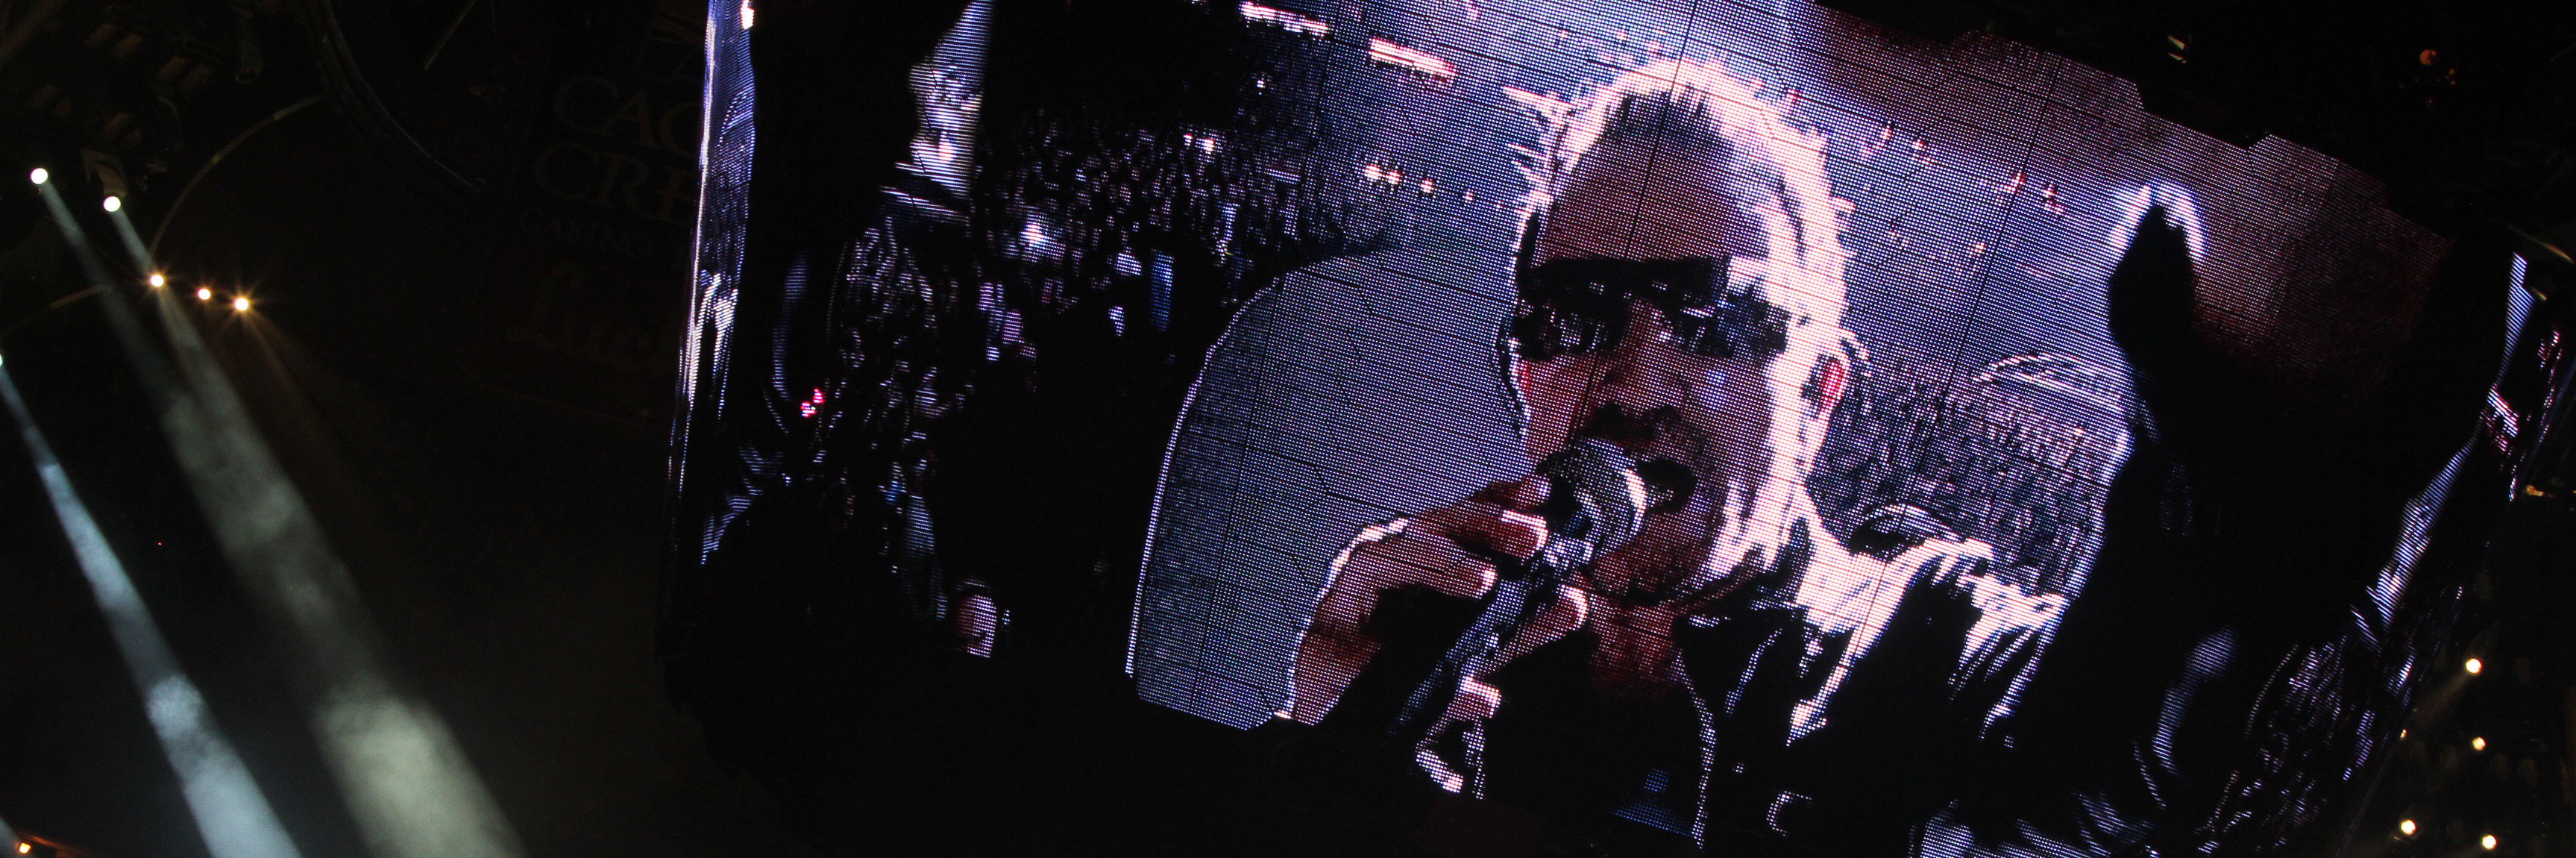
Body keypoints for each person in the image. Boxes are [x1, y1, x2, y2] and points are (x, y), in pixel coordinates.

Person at [1284, 60, 2061, 853]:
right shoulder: (1445, 659)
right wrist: (1326, 758)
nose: (1638, 384)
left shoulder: (1929, 652)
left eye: (1712, 319)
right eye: (1577, 314)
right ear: (1528, 379)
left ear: (1814, 397)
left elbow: (2108, 765)